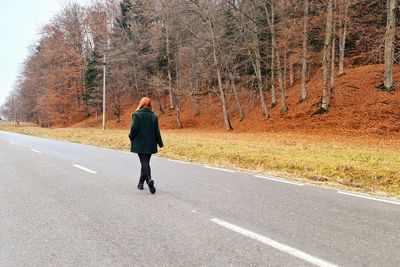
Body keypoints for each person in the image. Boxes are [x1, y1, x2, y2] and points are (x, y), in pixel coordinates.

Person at [129, 97, 163, 194]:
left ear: (141, 104)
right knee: (145, 162)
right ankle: (140, 183)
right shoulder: (154, 116)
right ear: (149, 105)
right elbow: (157, 131)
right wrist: (160, 143)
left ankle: (149, 180)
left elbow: (134, 129)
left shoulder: (137, 115)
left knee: (144, 163)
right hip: (151, 143)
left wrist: (131, 137)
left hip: (140, 143)